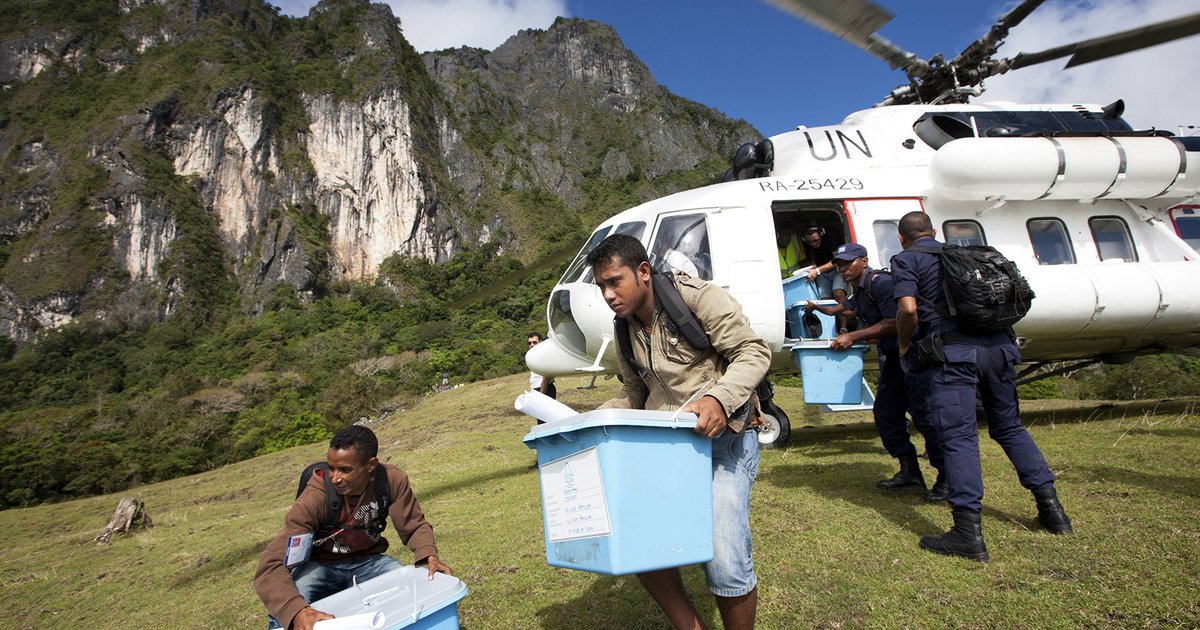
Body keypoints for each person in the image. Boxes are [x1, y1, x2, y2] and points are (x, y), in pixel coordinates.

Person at [586, 233, 770, 630]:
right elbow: (635, 389)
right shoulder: (624, 327)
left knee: (724, 558)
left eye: (615, 281)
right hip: (664, 448)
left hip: (726, 443)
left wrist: (720, 399)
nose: (607, 294)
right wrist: (592, 419)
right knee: (641, 542)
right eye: (601, 285)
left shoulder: (699, 298)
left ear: (644, 272)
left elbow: (753, 351)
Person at [892, 211, 1072, 562]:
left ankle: (967, 532)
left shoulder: (907, 259)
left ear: (902, 237)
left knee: (959, 438)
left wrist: (903, 343)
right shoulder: (967, 254)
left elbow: (909, 309)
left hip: (956, 356)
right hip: (1001, 349)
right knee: (1009, 427)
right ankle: (1052, 510)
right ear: (933, 231)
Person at [254, 426, 452, 630]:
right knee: (287, 611)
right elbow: (270, 566)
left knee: (409, 591)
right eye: (331, 468)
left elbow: (414, 523)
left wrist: (430, 557)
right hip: (320, 565)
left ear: (371, 465)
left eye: (345, 470)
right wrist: (297, 611)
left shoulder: (392, 481)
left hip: (369, 562)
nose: (335, 478)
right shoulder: (314, 498)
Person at [805, 243, 946, 500]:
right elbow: (842, 310)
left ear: (865, 261)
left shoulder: (881, 283)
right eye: (839, 265)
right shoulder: (858, 290)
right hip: (893, 358)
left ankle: (947, 478)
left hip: (912, 356)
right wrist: (814, 307)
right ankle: (910, 471)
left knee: (925, 416)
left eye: (848, 263)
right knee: (886, 413)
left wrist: (855, 335)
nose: (843, 268)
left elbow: (896, 320)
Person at [800, 224, 848, 303]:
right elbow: (811, 252)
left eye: (816, 240)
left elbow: (838, 260)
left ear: (821, 233)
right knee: (824, 300)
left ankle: (846, 314)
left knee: (838, 293)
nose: (813, 244)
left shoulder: (832, 236)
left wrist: (817, 270)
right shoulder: (807, 242)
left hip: (838, 269)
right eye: (810, 242)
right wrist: (813, 264)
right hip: (821, 272)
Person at [527, 332, 557, 400]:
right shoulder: (534, 357)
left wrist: (540, 396)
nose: (532, 345)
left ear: (541, 342)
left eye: (534, 342)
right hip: (536, 389)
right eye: (530, 343)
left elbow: (546, 378)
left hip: (545, 390)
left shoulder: (545, 356)